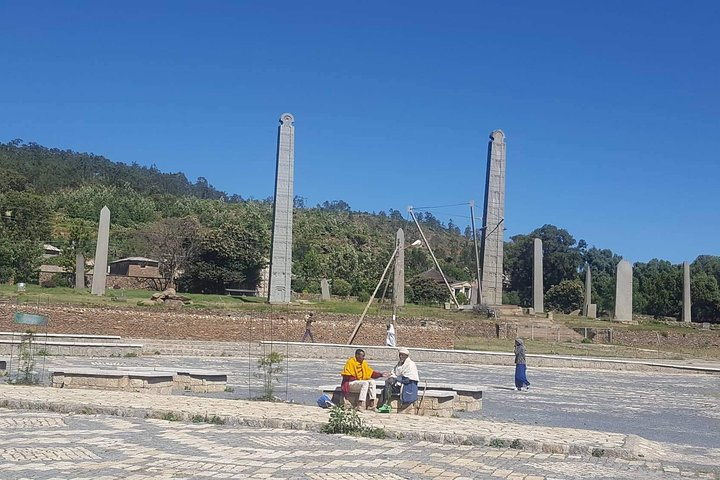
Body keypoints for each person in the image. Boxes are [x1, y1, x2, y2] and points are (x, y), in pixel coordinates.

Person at [378, 347, 420, 412]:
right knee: (387, 384)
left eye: (402, 355)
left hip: (406, 386)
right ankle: (386, 404)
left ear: (406, 356)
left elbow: (408, 379)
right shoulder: (399, 364)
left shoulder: (411, 364)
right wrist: (390, 375)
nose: (400, 356)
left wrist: (396, 379)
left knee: (389, 382)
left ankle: (386, 404)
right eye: (400, 355)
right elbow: (393, 372)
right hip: (398, 384)